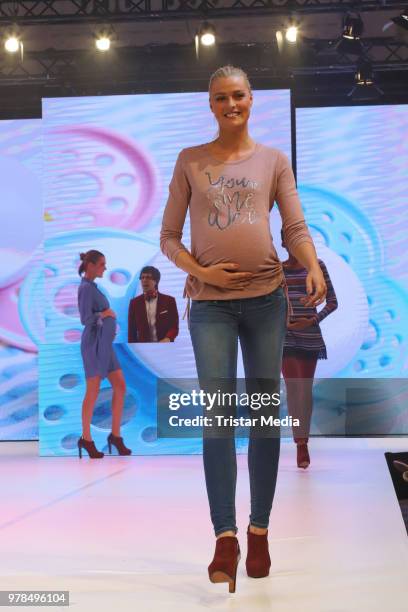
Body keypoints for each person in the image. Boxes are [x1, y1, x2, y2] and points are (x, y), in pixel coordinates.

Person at [160, 65, 326, 593]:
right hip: (209, 304)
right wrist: (201, 271)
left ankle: (259, 530)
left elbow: (293, 226)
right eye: (219, 98)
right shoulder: (190, 160)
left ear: (251, 100)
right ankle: (224, 537)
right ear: (209, 105)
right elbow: (168, 237)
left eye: (238, 95)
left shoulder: (274, 160)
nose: (230, 104)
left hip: (265, 302)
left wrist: (314, 263)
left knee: (261, 418)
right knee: (217, 419)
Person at [281, 229, 338, 469]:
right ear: (283, 242)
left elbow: (333, 302)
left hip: (310, 336)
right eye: (289, 239)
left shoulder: (318, 266)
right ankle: (300, 443)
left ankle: (303, 439)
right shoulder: (277, 269)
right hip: (283, 337)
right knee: (294, 388)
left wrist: (311, 321)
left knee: (304, 389)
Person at [77, 250, 131, 458]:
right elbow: (85, 319)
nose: (105, 268)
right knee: (93, 390)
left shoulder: (93, 287)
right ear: (90, 265)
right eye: (101, 264)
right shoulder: (85, 289)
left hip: (105, 345)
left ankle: (115, 436)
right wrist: (104, 314)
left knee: (120, 385)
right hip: (93, 344)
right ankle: (86, 439)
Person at [128, 266, 179, 343]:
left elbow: (174, 327)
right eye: (142, 277)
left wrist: (167, 339)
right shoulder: (134, 303)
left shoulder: (169, 301)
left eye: (148, 277)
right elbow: (131, 331)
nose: (144, 280)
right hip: (143, 348)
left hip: (165, 346)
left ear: (156, 281)